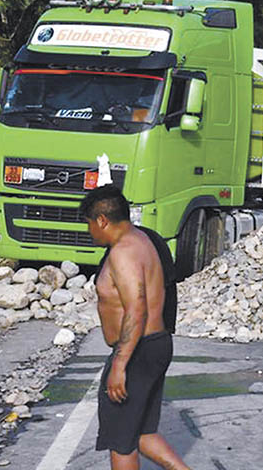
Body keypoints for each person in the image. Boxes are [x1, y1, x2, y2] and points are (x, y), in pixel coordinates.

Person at [80, 187, 189, 470]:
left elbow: (136, 308)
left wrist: (119, 365)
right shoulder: (143, 239)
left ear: (102, 220)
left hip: (137, 350)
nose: (90, 231)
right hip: (153, 344)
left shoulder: (123, 253)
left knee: (121, 439)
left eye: (89, 223)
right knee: (140, 432)